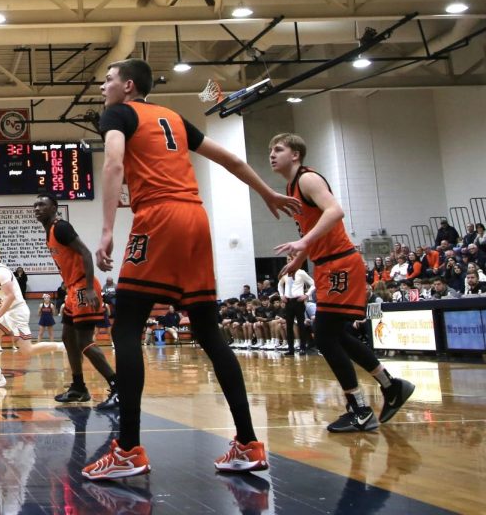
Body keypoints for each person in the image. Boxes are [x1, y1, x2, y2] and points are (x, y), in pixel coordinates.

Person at [83, 59, 299, 480]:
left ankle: (127, 449)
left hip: (159, 218)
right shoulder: (174, 118)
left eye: (107, 80)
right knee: (208, 331)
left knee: (126, 329)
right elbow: (231, 160)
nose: (102, 87)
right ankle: (248, 442)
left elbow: (112, 164)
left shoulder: (118, 114)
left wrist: (107, 229)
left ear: (128, 86)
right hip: (196, 220)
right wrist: (267, 193)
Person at [269, 133, 414, 433]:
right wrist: (301, 258)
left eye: (278, 149)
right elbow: (314, 226)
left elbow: (335, 211)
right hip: (326, 265)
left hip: (340, 263)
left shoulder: (308, 180)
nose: (272, 154)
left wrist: (303, 242)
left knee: (325, 335)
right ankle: (390, 387)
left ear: (295, 154)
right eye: (270, 150)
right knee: (333, 335)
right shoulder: (291, 186)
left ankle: (361, 409)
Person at [33, 195, 118, 408]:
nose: (37, 208)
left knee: (84, 341)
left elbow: (87, 254)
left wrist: (89, 288)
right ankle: (79, 387)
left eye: (42, 204)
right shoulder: (49, 232)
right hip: (73, 288)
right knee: (68, 337)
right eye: (35, 205)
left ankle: (118, 387)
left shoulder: (61, 228)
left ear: (54, 208)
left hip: (83, 288)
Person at [0, 241, 65, 389]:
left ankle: (62, 346)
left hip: (17, 311)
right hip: (9, 312)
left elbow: (10, 296)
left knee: (27, 351)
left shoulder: (1, 271)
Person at [277, 263, 313, 355]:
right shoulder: (285, 273)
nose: (289, 261)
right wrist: (281, 295)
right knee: (289, 326)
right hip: (288, 302)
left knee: (301, 324)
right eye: (288, 259)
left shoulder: (301, 272)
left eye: (291, 259)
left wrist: (306, 295)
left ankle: (303, 348)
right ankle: (290, 349)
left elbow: (313, 284)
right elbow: (280, 284)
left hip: (298, 301)